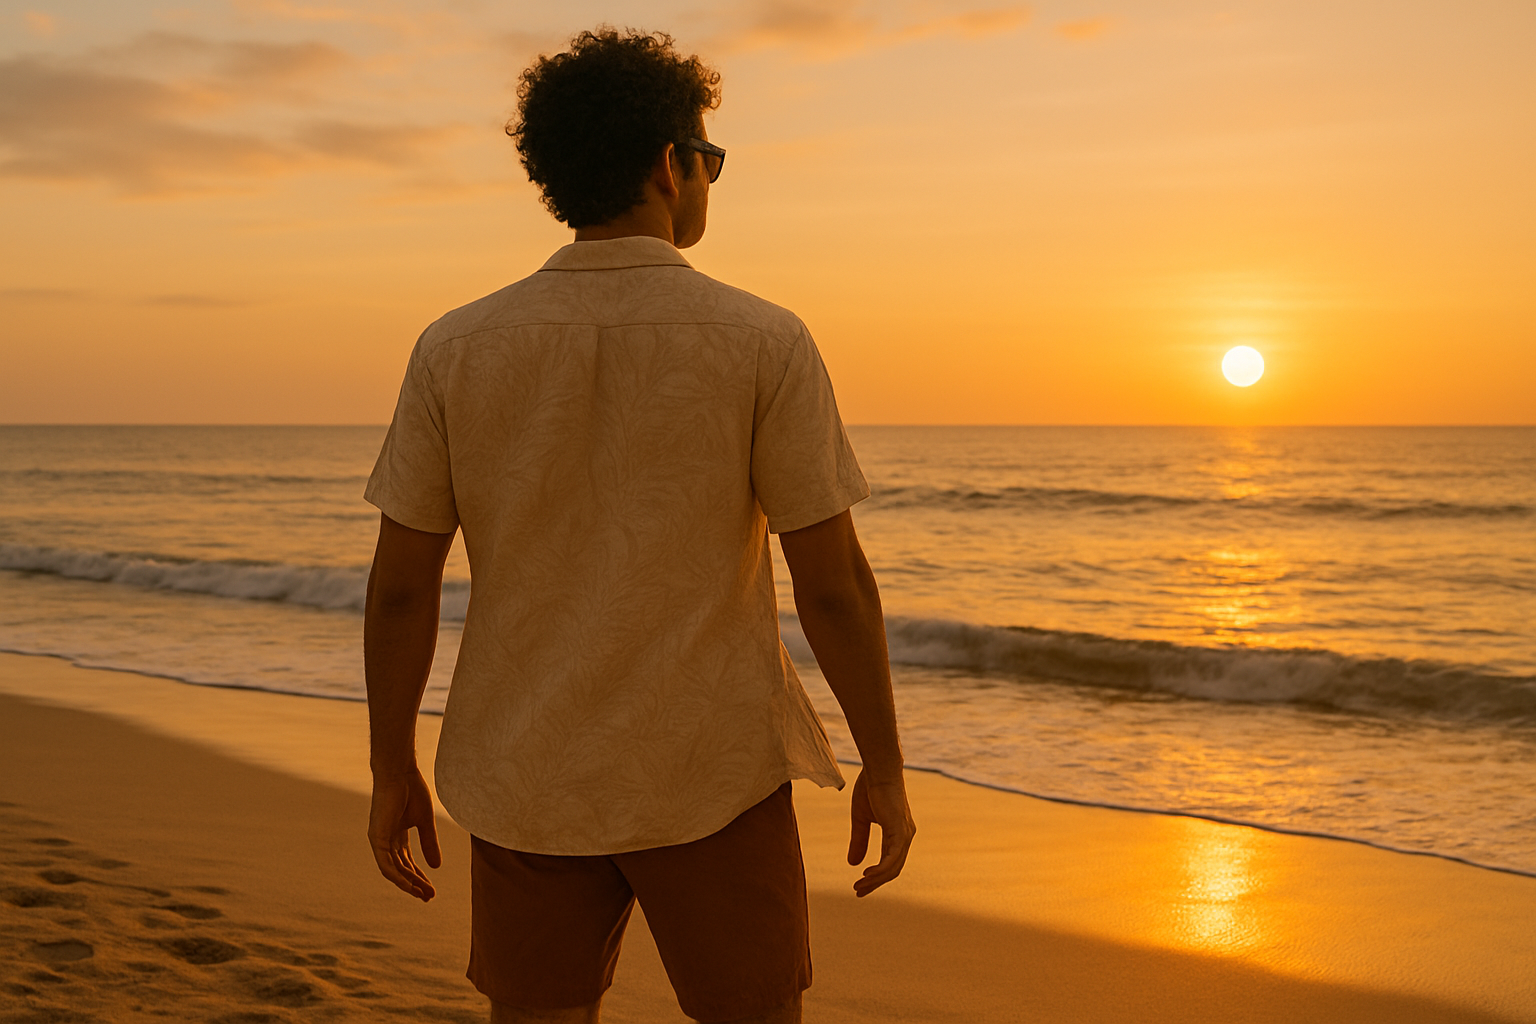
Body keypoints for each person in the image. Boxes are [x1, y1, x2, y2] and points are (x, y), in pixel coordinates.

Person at [362, 28, 915, 1024]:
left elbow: (402, 584)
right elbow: (832, 582)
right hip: (714, 770)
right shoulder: (762, 340)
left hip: (526, 768)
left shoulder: (456, 348)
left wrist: (390, 764)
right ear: (670, 165)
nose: (709, 177)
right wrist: (885, 764)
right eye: (710, 157)